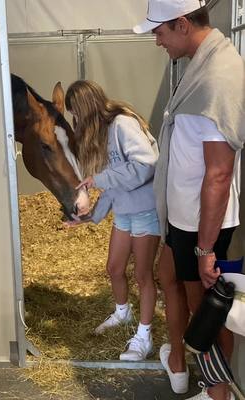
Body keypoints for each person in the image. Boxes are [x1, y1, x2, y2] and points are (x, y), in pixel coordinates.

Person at [133, 0, 245, 399]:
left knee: (208, 313)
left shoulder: (216, 77)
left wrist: (205, 248)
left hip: (202, 224)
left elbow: (218, 173)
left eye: (159, 32)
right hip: (186, 218)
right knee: (182, 288)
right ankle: (192, 372)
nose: (157, 41)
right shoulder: (202, 66)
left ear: (182, 24)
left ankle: (219, 394)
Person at [64, 80, 161, 361]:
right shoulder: (103, 134)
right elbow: (114, 186)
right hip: (124, 212)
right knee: (114, 268)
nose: (75, 120)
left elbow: (146, 165)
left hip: (145, 210)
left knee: (143, 275)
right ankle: (123, 312)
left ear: (85, 107)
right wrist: (90, 216)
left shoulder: (122, 124)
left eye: (75, 113)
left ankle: (144, 336)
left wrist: (98, 179)